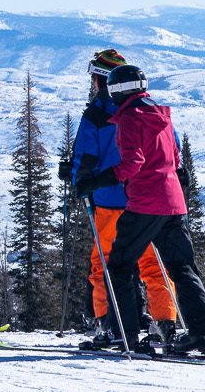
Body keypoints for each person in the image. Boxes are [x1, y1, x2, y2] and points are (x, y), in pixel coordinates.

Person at [74, 65, 205, 356]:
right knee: (182, 268)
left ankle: (126, 334)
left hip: (145, 202)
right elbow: (175, 159)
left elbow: (132, 163)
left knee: (119, 266)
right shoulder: (160, 114)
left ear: (118, 91)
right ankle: (200, 332)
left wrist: (96, 180)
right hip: (174, 204)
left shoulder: (131, 118)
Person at [64, 49, 177, 349]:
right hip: (146, 200)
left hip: (109, 201)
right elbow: (170, 147)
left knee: (104, 264)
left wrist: (76, 179)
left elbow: (85, 158)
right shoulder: (149, 108)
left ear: (102, 81)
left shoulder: (97, 115)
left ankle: (109, 325)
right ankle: (166, 322)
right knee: (153, 264)